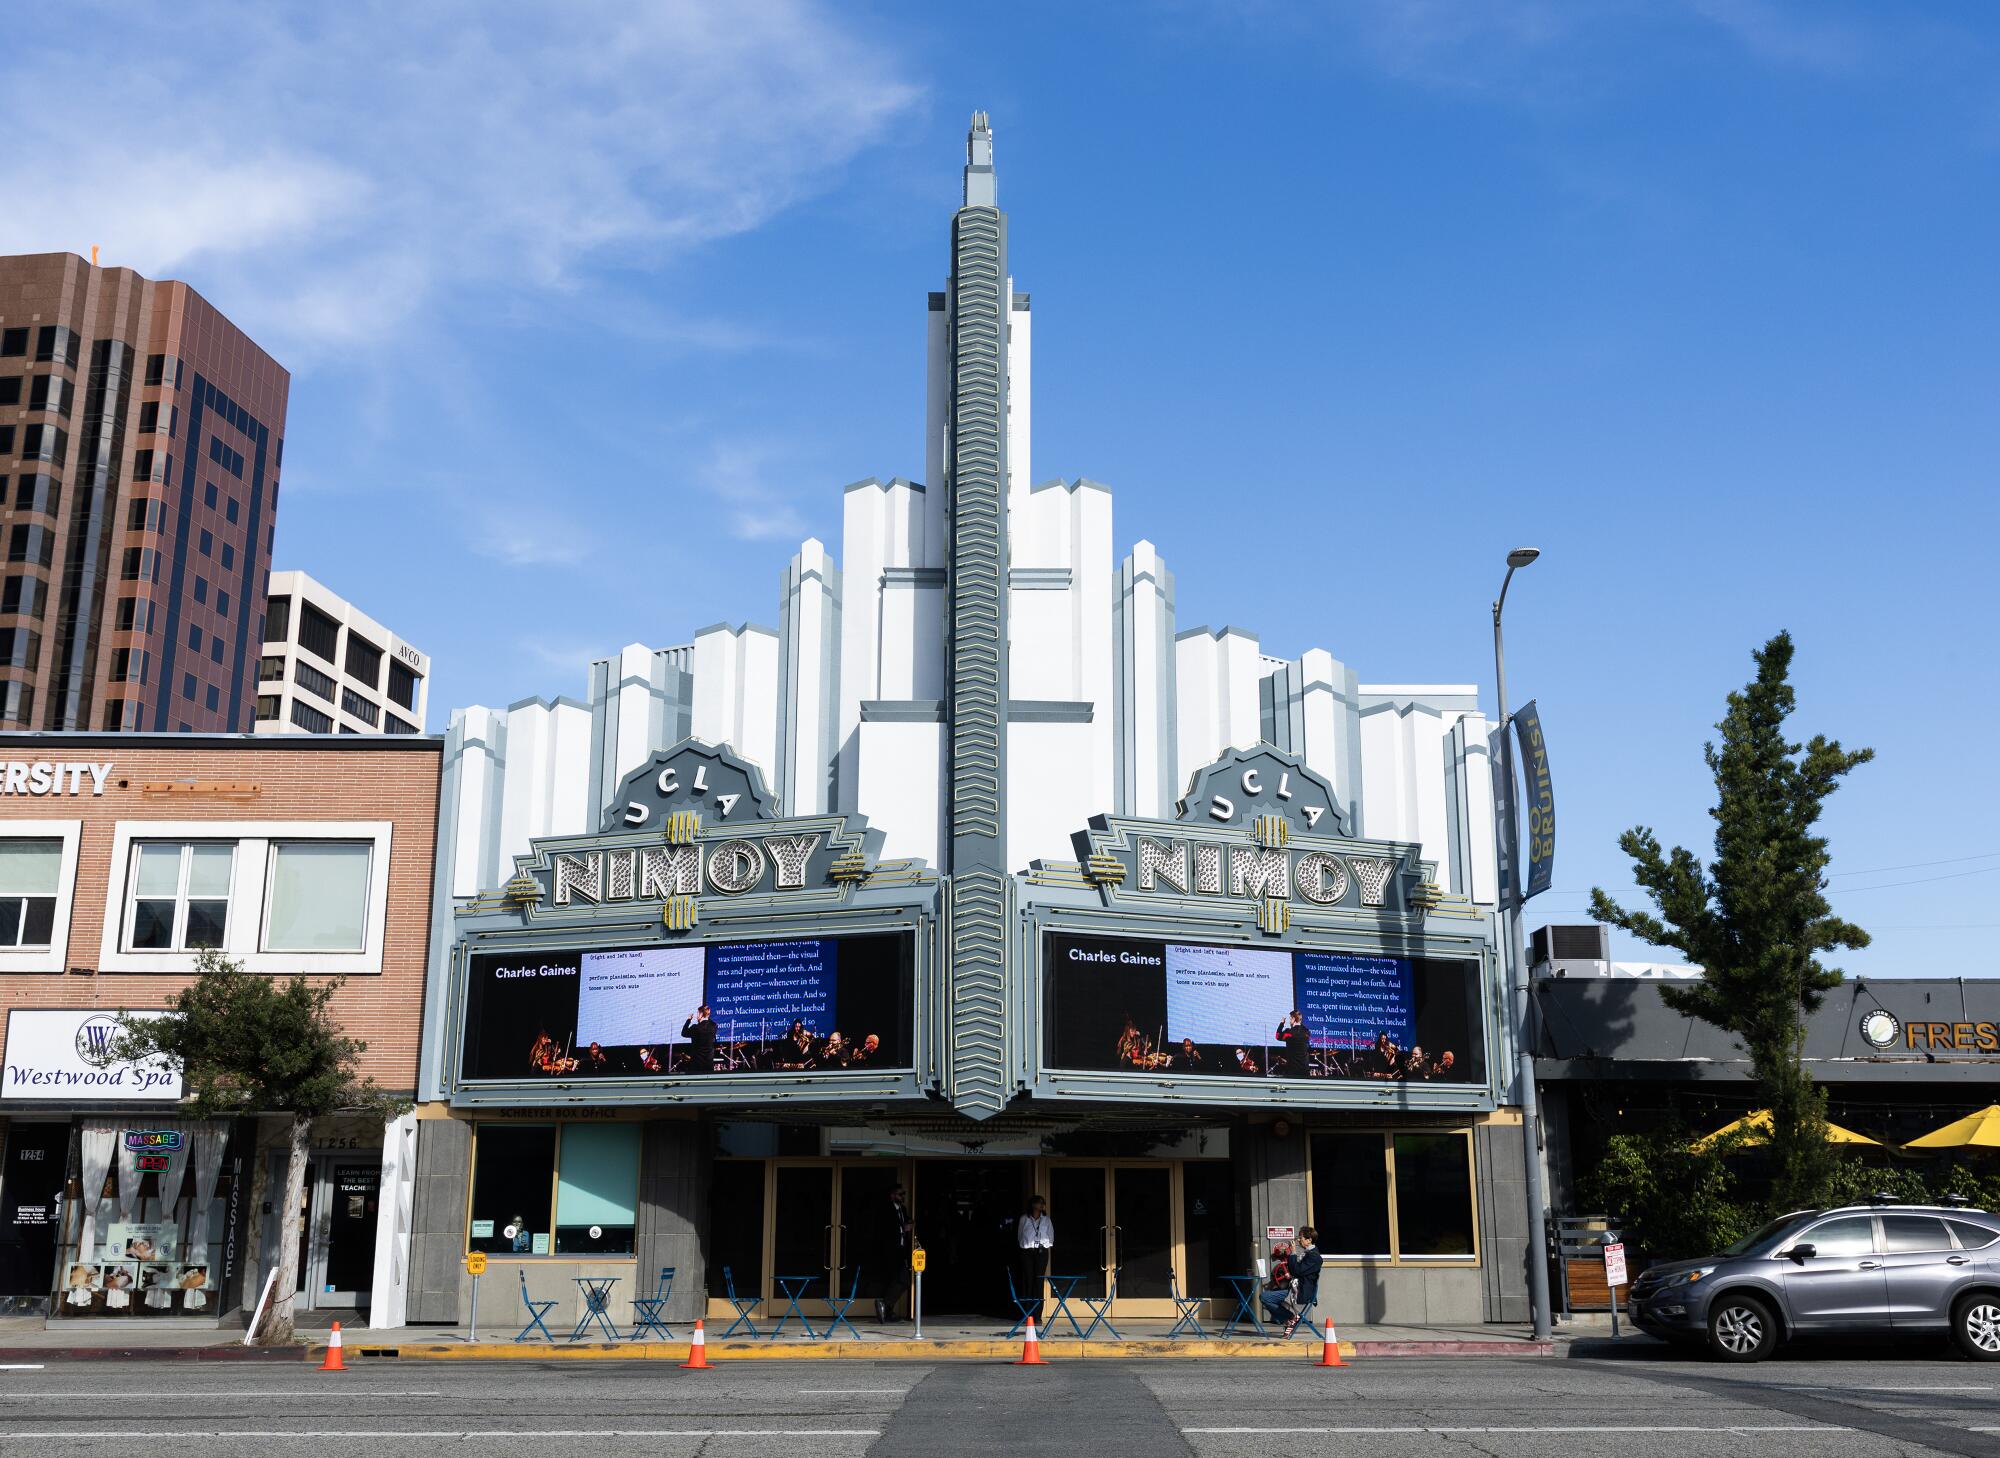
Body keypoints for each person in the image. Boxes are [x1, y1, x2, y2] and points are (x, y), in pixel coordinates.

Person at [874, 1183, 912, 1323]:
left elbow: (905, 1223)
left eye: (904, 1194)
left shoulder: (902, 1209)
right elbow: (884, 1231)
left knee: (902, 1281)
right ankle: (885, 1307)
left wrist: (908, 1226)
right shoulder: (885, 1210)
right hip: (889, 1251)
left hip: (901, 1250)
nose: (902, 1197)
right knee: (899, 1280)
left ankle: (886, 1308)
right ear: (892, 1196)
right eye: (900, 1194)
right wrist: (903, 1228)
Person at [1015, 1194, 1053, 1322]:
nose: (1041, 1205)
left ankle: (1038, 1315)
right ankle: (1027, 1313)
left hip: (1041, 1252)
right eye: (1039, 1203)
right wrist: (1026, 1246)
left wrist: (1044, 1245)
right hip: (1027, 1252)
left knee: (1038, 1282)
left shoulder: (1046, 1220)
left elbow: (1050, 1236)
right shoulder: (1024, 1219)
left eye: (1043, 1203)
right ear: (1033, 1205)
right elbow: (1020, 1235)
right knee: (1028, 1281)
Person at [1282, 1227, 1322, 1338]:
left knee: (1266, 1297)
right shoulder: (1308, 1254)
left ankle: (1292, 1318)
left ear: (1309, 1240)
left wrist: (1293, 1252)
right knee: (1267, 1296)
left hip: (1303, 1290)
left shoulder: (1314, 1256)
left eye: (1301, 1238)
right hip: (1295, 1287)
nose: (1299, 1241)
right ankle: (1292, 1318)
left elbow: (1296, 1271)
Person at [681, 1005, 717, 1073]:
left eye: (698, 1013)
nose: (697, 1016)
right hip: (709, 1063)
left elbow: (684, 1033)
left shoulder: (695, 1028)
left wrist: (689, 1020)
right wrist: (706, 1015)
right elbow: (710, 1022)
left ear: (700, 1014)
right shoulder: (714, 1026)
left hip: (696, 1063)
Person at [1276, 1011, 1311, 1077]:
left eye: (1290, 1019)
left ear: (1293, 1019)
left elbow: (1277, 1036)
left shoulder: (1289, 1033)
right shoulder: (1307, 1032)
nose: (1289, 1021)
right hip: (1305, 1069)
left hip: (1292, 1069)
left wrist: (1282, 1023)